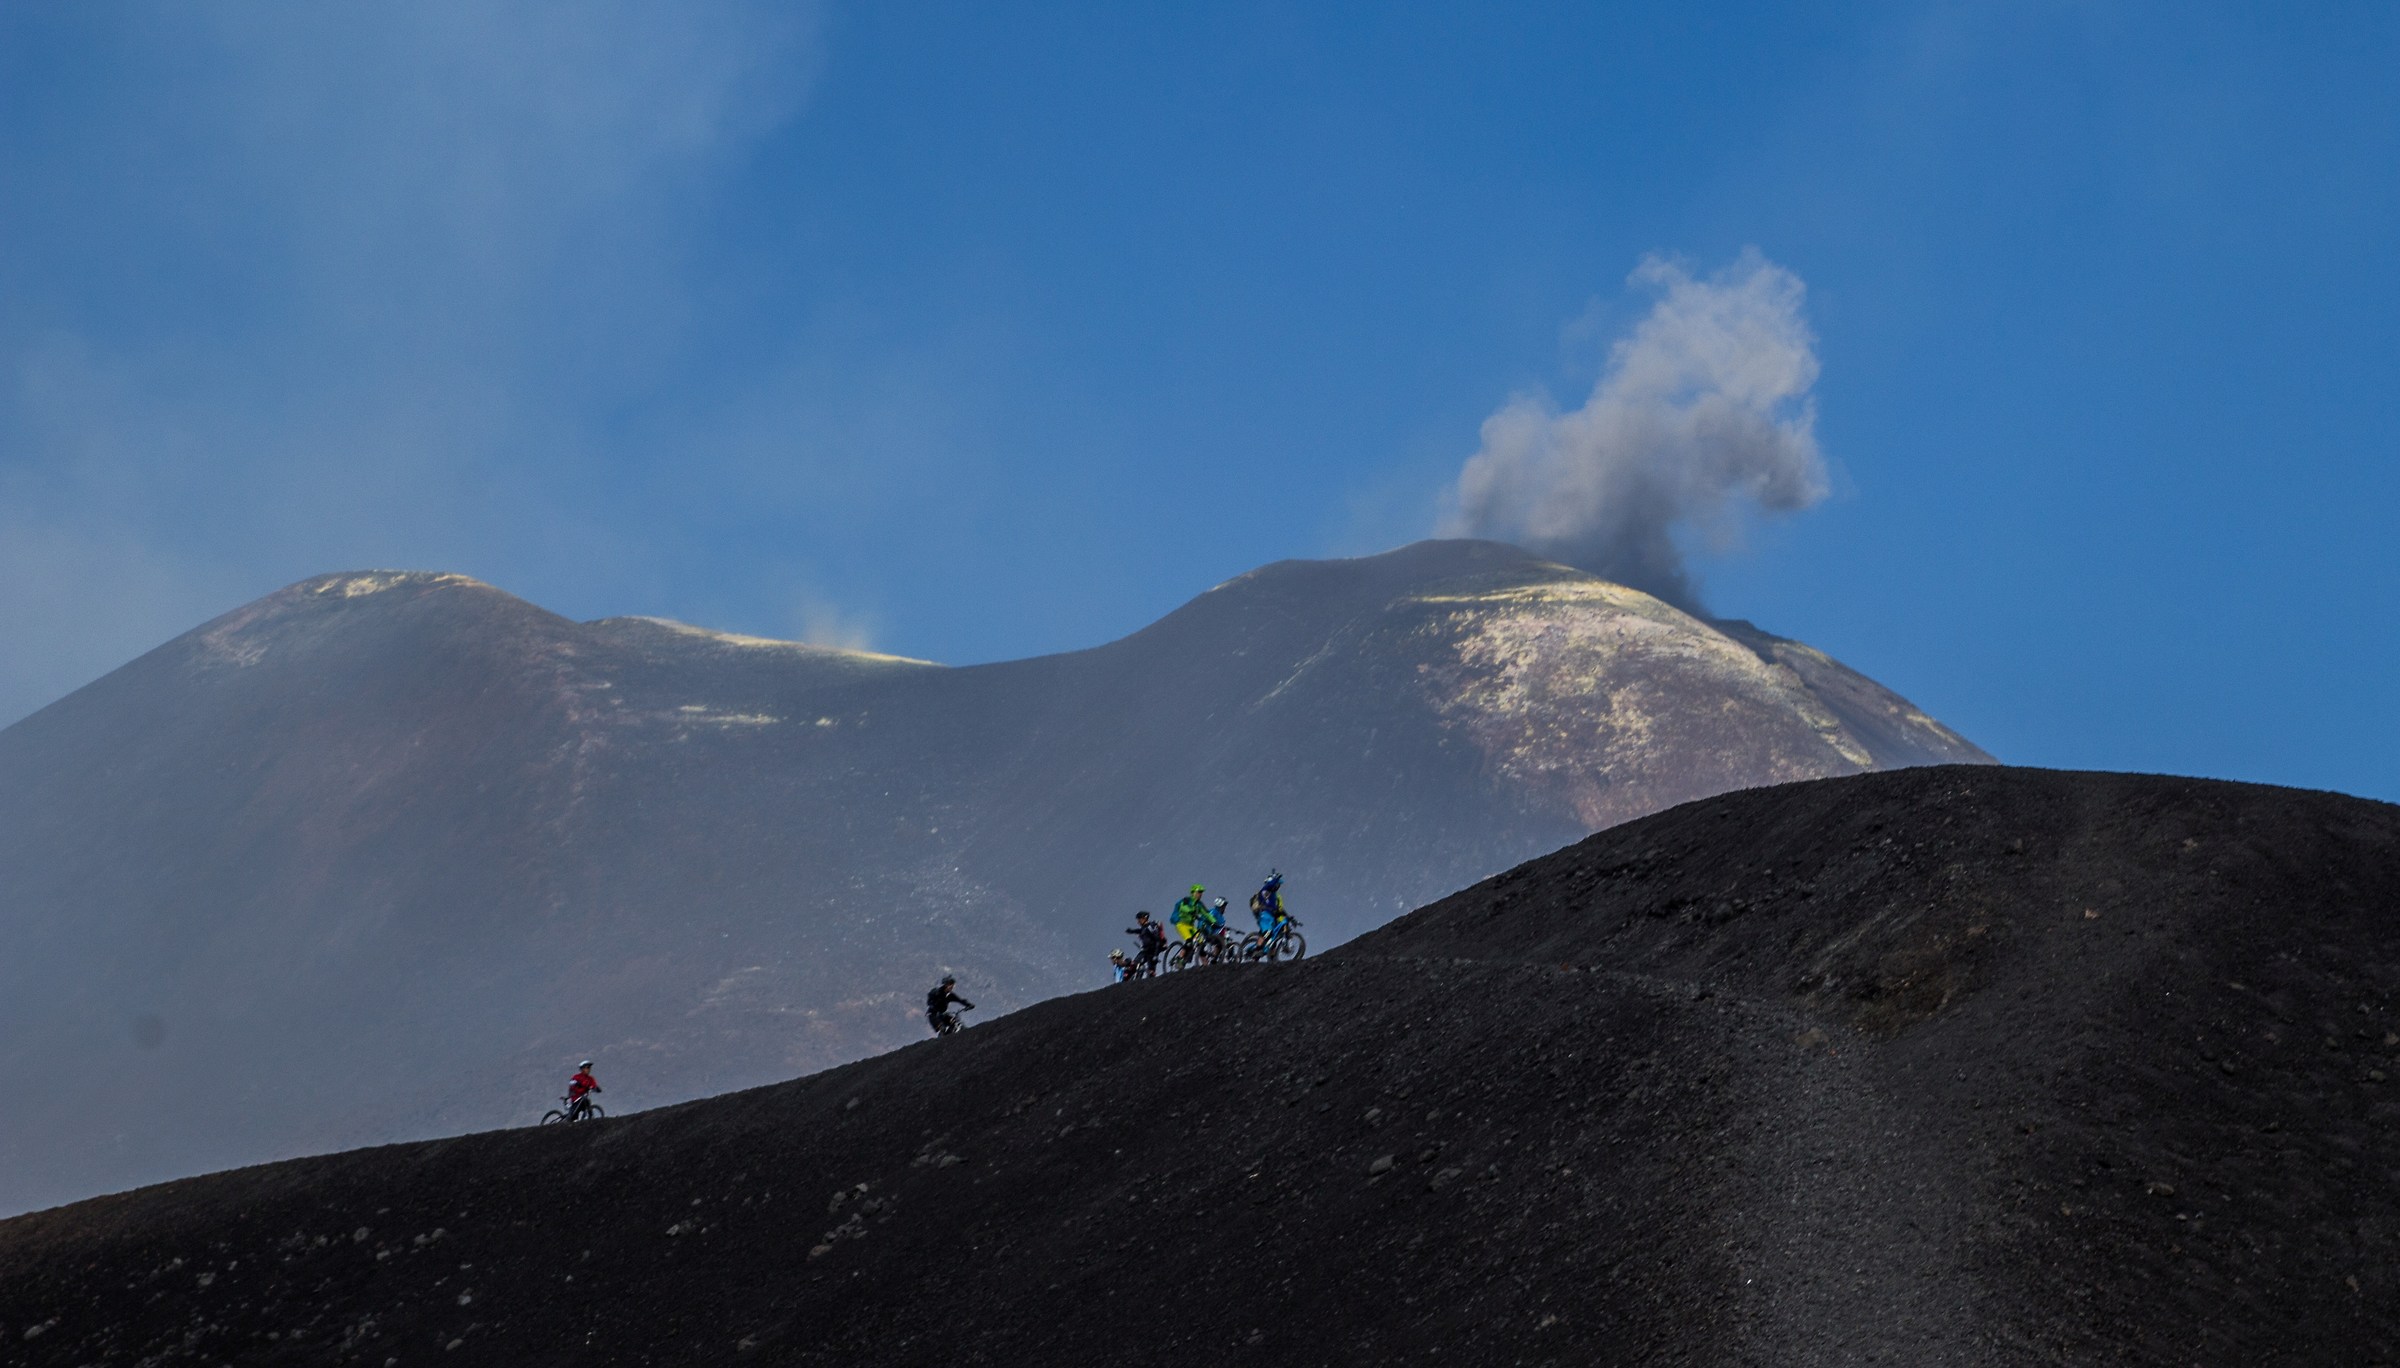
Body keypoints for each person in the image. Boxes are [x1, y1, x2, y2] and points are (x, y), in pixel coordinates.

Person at [1249, 870, 1290, 936]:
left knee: (1273, 937)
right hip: (1264, 914)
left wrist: (1287, 917)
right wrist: (1276, 878)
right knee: (1266, 934)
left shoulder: (1274, 896)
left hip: (1272, 917)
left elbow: (1278, 908)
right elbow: (1270, 884)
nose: (1278, 886)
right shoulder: (1266, 889)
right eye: (1277, 884)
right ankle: (1258, 946)